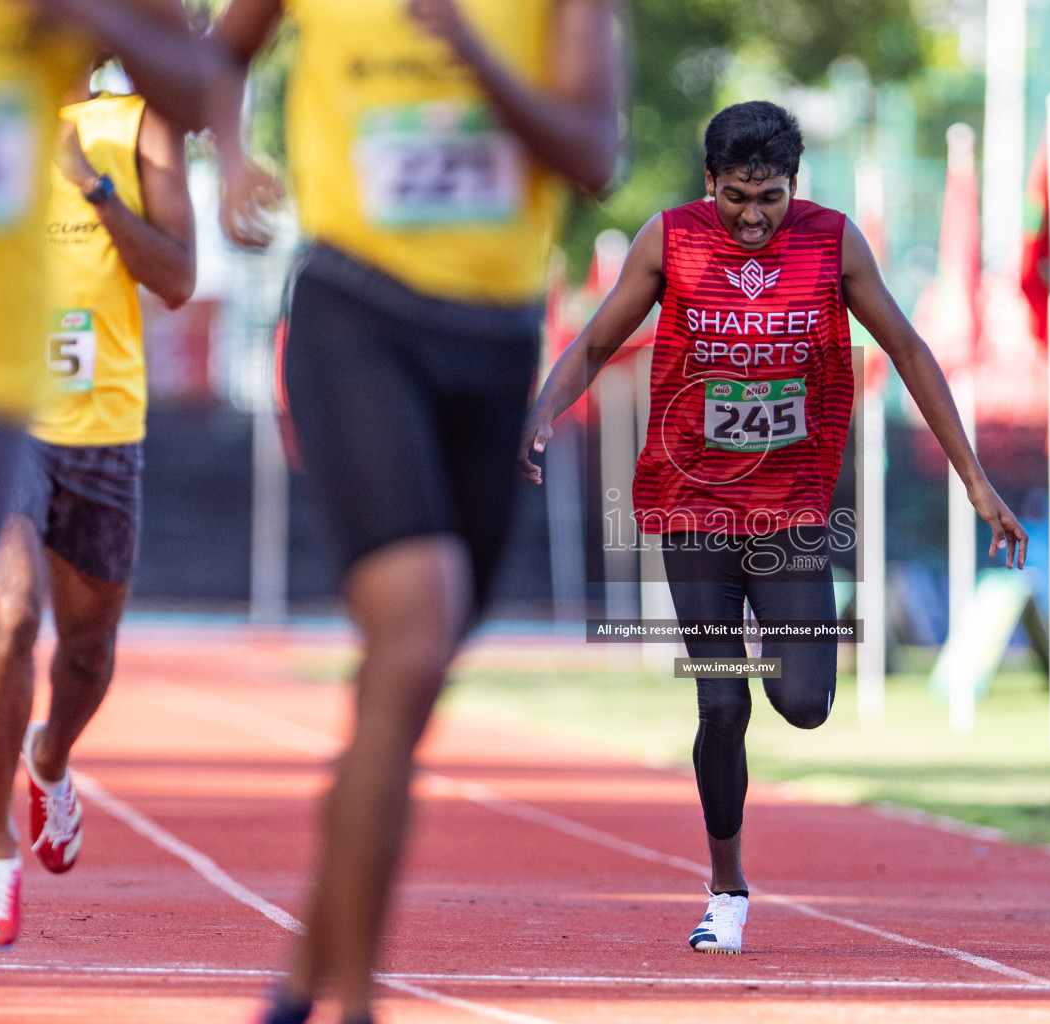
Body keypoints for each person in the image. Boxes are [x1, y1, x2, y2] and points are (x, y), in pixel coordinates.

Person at [522, 100, 1027, 954]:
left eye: (772, 197)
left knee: (802, 703)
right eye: (737, 197)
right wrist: (539, 415)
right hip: (693, 506)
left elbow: (907, 349)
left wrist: (975, 480)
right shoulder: (671, 239)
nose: (754, 218)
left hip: (792, 511)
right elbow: (597, 341)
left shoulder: (832, 242)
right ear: (709, 182)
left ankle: (783, 672)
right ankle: (727, 889)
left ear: (797, 186)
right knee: (721, 703)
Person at [210, 1, 624, 1021]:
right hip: (357, 315)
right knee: (412, 637)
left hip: (492, 341)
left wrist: (473, 49)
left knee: (407, 683)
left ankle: (303, 982)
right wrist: (226, 161)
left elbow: (592, 153)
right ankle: (356, 1005)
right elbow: (214, 56)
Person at [0, 0, 260, 951]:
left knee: (86, 652)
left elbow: (176, 277)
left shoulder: (138, 125)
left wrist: (93, 188)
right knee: (8, 615)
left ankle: (51, 756)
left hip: (103, 422)